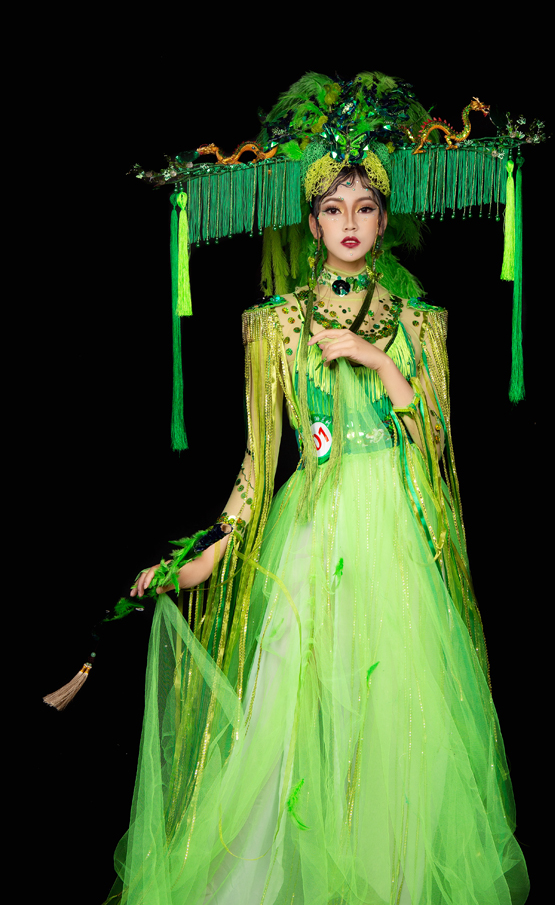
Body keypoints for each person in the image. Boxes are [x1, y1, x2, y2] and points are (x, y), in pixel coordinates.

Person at [108, 74, 530, 904]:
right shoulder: (272, 325)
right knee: (294, 711)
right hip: (312, 523)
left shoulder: (419, 323)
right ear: (310, 222)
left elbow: (435, 446)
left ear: (384, 217)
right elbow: (258, 462)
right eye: (333, 208)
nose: (350, 223)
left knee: (396, 719)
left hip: (394, 536)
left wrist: (378, 362)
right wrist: (207, 555)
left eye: (364, 207)